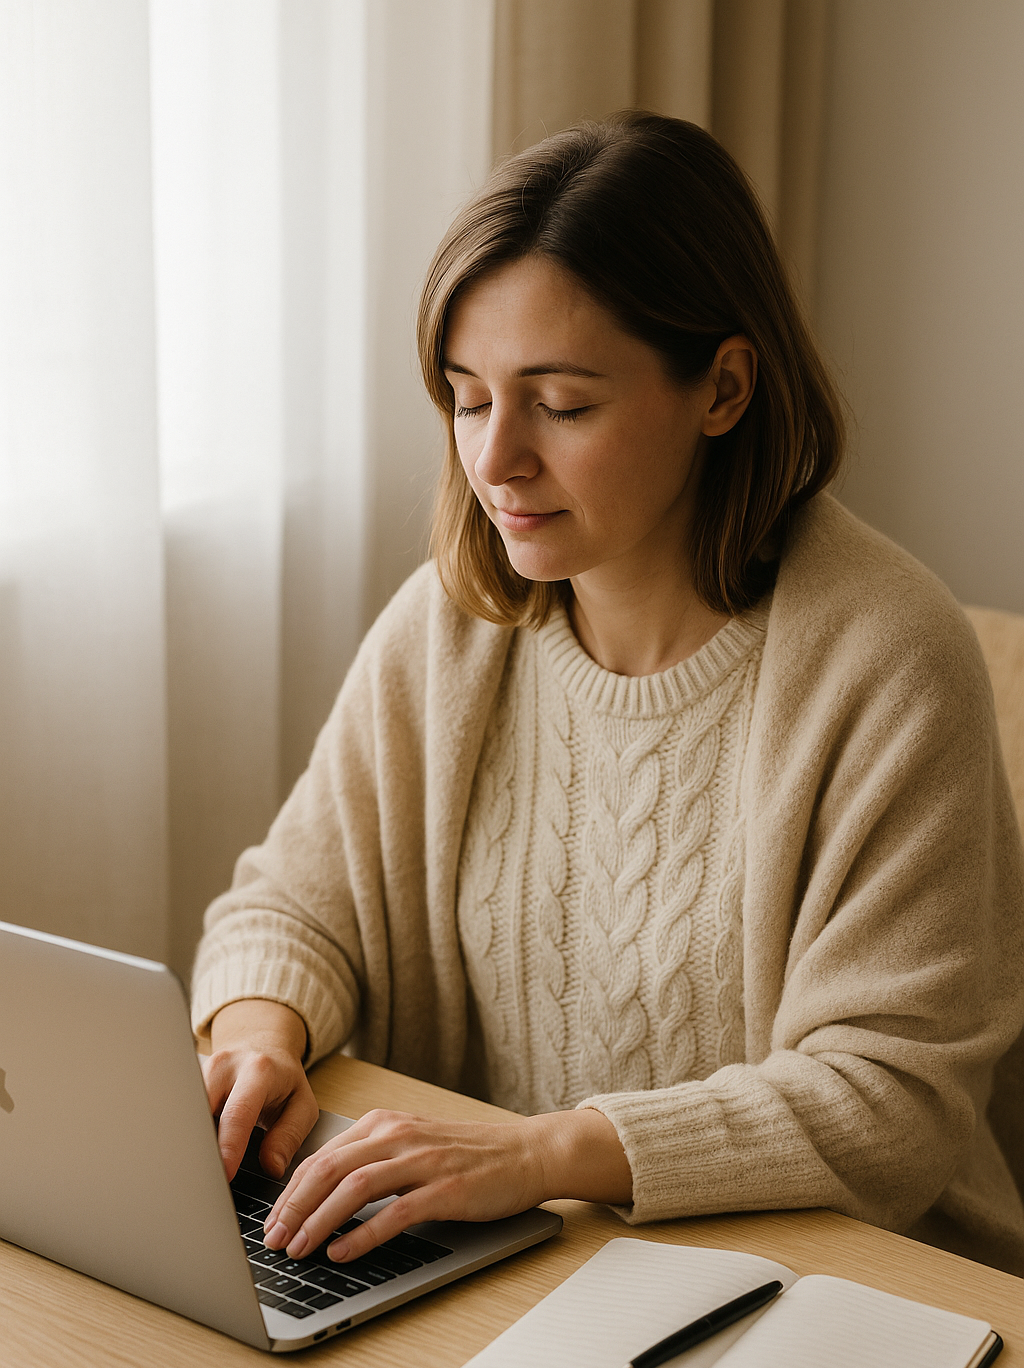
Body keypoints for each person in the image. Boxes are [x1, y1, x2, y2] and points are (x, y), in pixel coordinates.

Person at [193, 112, 1024, 1279]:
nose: (494, 463)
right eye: (468, 397)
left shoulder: (887, 657)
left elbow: (889, 1101)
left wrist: (543, 1156)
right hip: (545, 1268)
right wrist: (256, 1036)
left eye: (562, 405)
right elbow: (291, 905)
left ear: (723, 388)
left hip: (858, 1291)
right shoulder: (452, 625)